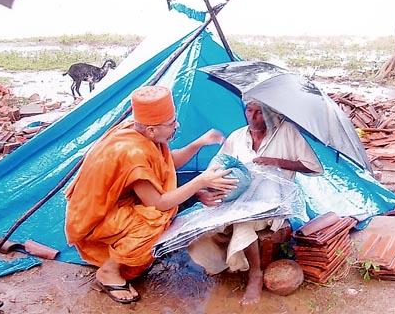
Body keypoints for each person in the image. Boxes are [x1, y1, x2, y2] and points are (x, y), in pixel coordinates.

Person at [64, 86, 238, 304]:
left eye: (174, 121)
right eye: (170, 124)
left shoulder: (138, 132)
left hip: (115, 203)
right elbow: (159, 203)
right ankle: (109, 271)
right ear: (151, 130)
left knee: (169, 205)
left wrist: (199, 143)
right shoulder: (132, 152)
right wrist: (200, 182)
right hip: (94, 219)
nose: (175, 127)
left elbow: (166, 164)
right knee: (158, 218)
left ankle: (123, 255)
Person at [189, 100, 322, 305]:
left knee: (243, 218)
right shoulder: (238, 136)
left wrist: (276, 161)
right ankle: (221, 263)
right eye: (249, 110)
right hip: (240, 197)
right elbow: (216, 167)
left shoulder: (286, 132)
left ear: (270, 113)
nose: (253, 116)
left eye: (260, 112)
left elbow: (314, 167)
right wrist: (205, 190)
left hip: (274, 202)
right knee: (203, 218)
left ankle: (255, 274)